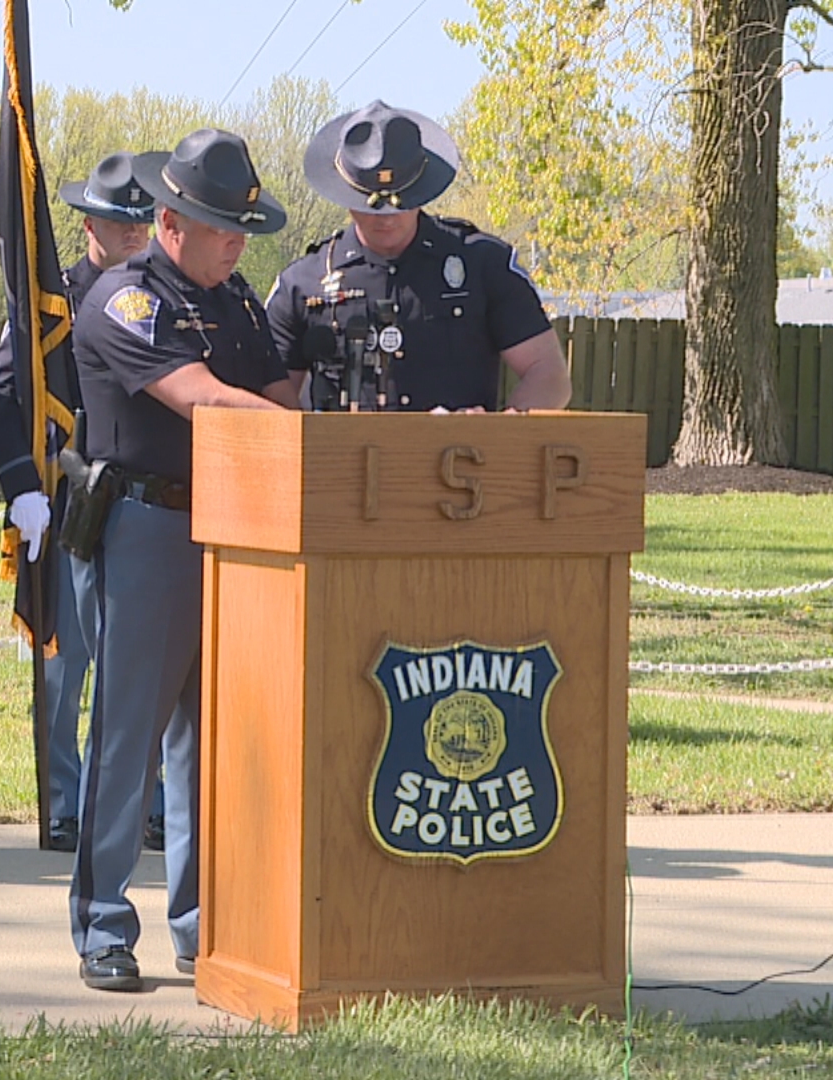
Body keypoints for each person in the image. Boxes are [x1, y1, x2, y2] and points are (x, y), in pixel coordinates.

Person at [68, 129, 298, 991]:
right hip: (144, 530)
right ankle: (101, 923)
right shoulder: (125, 300)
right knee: (126, 739)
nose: (238, 243)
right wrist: (297, 431)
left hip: (235, 531)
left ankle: (202, 924)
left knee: (212, 744)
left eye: (242, 229)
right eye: (220, 227)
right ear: (169, 221)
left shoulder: (236, 300)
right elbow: (201, 398)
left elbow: (275, 391)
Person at [0, 151, 153, 853]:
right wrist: (23, 484)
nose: (136, 233)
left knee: (142, 667)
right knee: (64, 664)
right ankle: (63, 803)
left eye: (144, 220)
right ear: (90, 225)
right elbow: (0, 398)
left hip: (145, 500)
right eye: (122, 221)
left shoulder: (160, 295)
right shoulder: (53, 303)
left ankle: (141, 806)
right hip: (72, 500)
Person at [266, 100, 571, 412]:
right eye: (372, 206)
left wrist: (497, 434)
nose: (386, 217)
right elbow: (272, 401)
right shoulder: (303, 283)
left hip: (458, 456)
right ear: (346, 193)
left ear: (420, 190)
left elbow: (548, 376)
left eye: (399, 203)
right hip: (339, 457)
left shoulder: (482, 264)